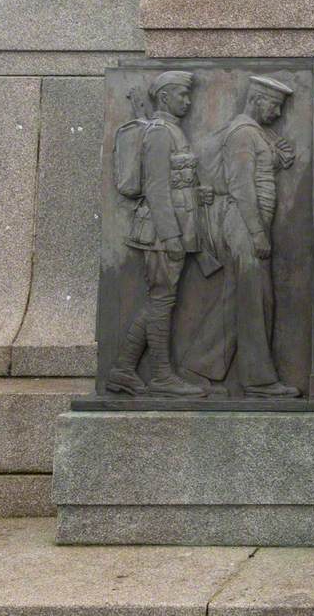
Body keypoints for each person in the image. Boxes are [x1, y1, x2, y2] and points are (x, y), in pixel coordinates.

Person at [192, 75, 300, 398]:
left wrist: (278, 157)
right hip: (244, 223)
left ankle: (199, 365)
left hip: (247, 221)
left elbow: (261, 168)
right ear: (256, 99)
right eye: (274, 106)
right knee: (257, 299)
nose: (278, 114)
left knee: (235, 297)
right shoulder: (242, 135)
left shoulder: (253, 133)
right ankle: (258, 380)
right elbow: (241, 186)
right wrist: (257, 233)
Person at [106, 71, 207, 397]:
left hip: (172, 229)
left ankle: (123, 370)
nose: (188, 101)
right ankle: (162, 376)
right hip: (162, 234)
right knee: (162, 302)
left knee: (159, 301)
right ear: (164, 97)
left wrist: (196, 192)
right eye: (182, 95)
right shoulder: (161, 133)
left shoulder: (171, 131)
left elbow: (176, 180)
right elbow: (157, 188)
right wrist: (172, 236)